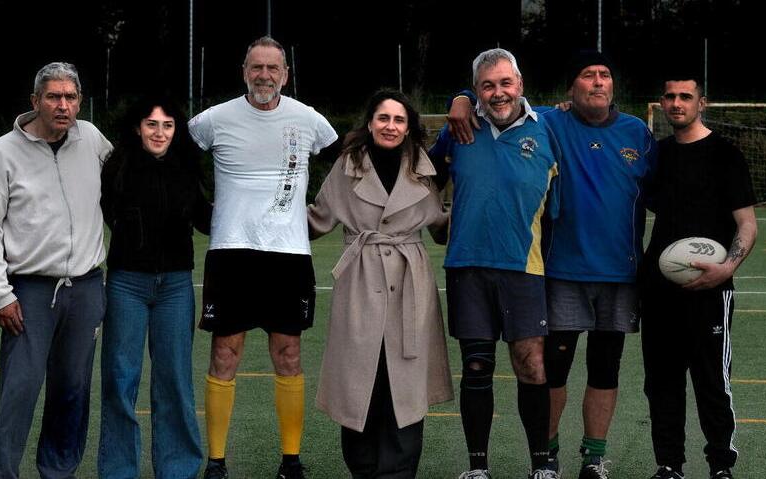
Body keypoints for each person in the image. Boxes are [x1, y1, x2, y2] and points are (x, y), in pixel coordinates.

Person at [446, 49, 656, 479]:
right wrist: (462, 97)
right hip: (557, 271)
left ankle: (592, 457)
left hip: (614, 272)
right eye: (587, 75)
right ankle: (545, 458)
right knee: (541, 368)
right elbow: (489, 103)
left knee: (599, 368)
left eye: (604, 75)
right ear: (569, 88)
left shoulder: (634, 132)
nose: (597, 82)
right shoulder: (539, 122)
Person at [188, 36, 338, 479]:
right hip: (231, 254)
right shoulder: (213, 120)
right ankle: (216, 462)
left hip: (289, 255)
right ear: (244, 71)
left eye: (273, 69)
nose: (265, 76)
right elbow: (174, 158)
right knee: (225, 353)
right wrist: (201, 213)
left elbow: (350, 161)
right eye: (257, 67)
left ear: (286, 75)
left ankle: (291, 461)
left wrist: (322, 216)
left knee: (288, 353)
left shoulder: (308, 120)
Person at [0, 62, 112, 478]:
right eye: (53, 97)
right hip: (28, 292)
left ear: (80, 102)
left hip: (86, 288)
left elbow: (128, 177)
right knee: (20, 391)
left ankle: (57, 472)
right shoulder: (4, 151)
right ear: (35, 102)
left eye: (70, 98)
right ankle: (5, 474)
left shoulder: (91, 139)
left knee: (72, 392)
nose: (63, 106)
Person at [307, 89, 453, 478]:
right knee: (360, 381)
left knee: (404, 384)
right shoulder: (346, 166)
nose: (390, 126)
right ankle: (363, 468)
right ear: (369, 123)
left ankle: (400, 471)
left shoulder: (423, 169)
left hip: (411, 284)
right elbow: (317, 218)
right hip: (360, 280)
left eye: (399, 120)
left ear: (409, 128)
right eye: (383, 118)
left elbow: (441, 224)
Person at [429, 48, 560, 479]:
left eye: (505, 83)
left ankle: (541, 465)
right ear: (477, 90)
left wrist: (461, 95)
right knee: (476, 366)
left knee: (531, 364)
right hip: (467, 265)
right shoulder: (458, 127)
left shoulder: (548, 130)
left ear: (520, 84)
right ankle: (477, 468)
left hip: (524, 267)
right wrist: (437, 220)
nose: (498, 92)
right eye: (487, 85)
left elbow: (557, 209)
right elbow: (422, 175)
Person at [639, 74, 757, 479]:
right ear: (662, 101)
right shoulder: (657, 155)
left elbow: (747, 225)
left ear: (701, 103)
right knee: (662, 384)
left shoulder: (725, 154)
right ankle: (669, 465)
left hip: (710, 290)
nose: (676, 103)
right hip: (659, 292)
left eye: (685, 97)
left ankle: (720, 466)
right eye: (670, 96)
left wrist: (728, 268)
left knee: (711, 382)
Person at [97, 94, 212, 478]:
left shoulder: (186, 170)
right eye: (152, 124)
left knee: (175, 380)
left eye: (167, 125)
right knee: (119, 379)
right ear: (137, 128)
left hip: (176, 288)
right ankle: (118, 470)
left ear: (175, 130)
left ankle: (177, 468)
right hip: (126, 284)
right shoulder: (117, 169)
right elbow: (104, 214)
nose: (159, 133)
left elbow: (205, 220)